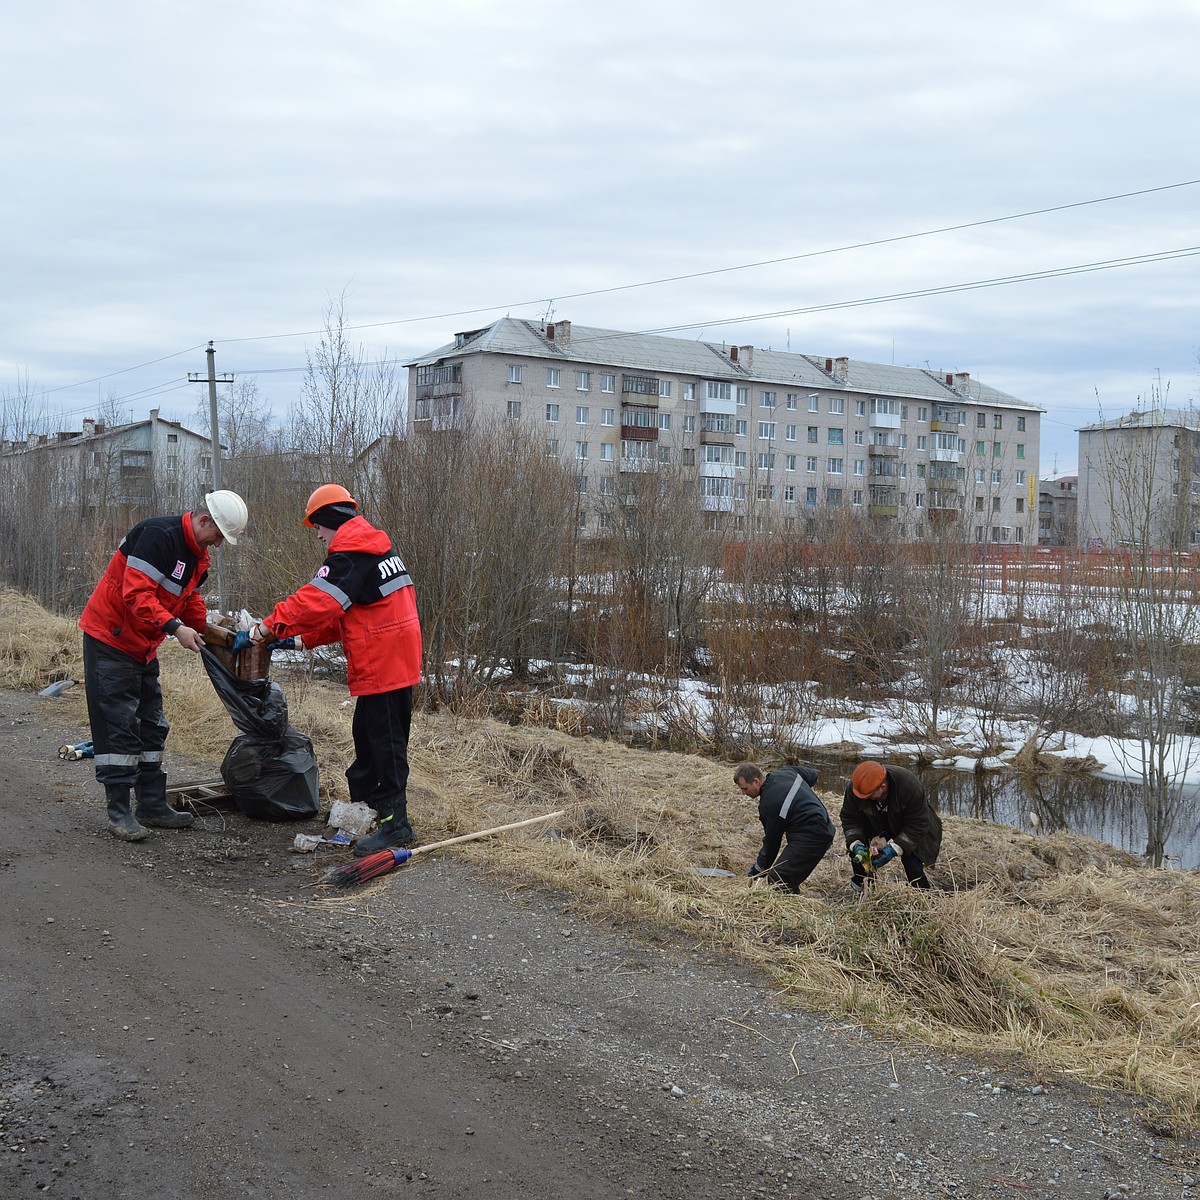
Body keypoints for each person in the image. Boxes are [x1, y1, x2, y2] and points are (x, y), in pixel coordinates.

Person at [239, 485, 422, 858]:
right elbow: (348, 612)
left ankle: (395, 825)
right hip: (392, 658)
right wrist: (297, 640)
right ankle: (366, 809)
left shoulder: (351, 553)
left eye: (318, 527)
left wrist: (266, 628)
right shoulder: (374, 547)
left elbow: (316, 602)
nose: (319, 535)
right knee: (369, 738)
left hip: (384, 663)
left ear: (329, 520)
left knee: (384, 746)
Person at [79, 490, 249, 842]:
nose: (218, 544)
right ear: (204, 521)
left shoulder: (196, 554)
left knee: (152, 725)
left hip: (143, 646)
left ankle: (152, 804)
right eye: (218, 535)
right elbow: (136, 595)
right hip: (111, 639)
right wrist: (176, 628)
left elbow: (189, 598)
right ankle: (119, 812)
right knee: (119, 727)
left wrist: (208, 628)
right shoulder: (158, 537)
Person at [840, 760, 943, 891]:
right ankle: (864, 889)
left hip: (908, 823)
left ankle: (922, 896)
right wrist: (856, 844)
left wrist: (894, 849)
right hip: (875, 819)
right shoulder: (859, 789)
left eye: (869, 795)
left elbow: (918, 824)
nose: (864, 798)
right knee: (860, 857)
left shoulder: (909, 786)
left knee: (912, 862)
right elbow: (850, 818)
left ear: (882, 787)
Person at [734, 762, 836, 892]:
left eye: (745, 788)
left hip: (813, 836)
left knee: (778, 878)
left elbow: (772, 843)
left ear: (756, 781)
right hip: (823, 825)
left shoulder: (769, 804)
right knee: (786, 873)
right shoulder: (786, 772)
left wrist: (756, 872)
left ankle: (792, 909)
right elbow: (812, 775)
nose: (743, 793)